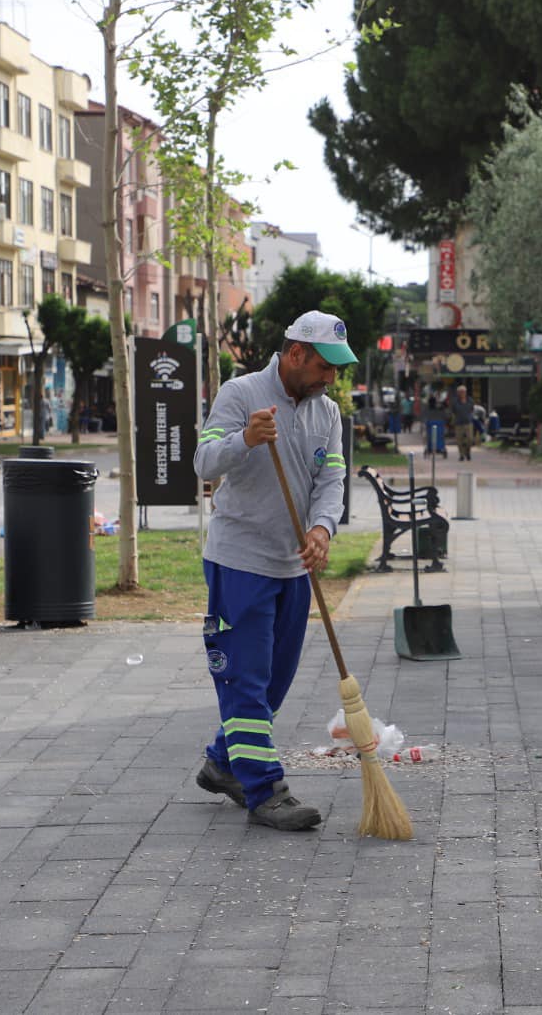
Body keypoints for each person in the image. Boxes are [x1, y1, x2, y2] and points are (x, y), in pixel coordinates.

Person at [191, 309, 355, 830]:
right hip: (239, 560)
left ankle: (223, 763)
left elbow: (332, 478)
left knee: (273, 683)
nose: (332, 379)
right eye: (325, 367)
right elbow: (203, 462)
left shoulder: (326, 414)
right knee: (245, 677)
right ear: (296, 353)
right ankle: (266, 789)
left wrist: (322, 528)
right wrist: (245, 440)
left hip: (292, 565)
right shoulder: (241, 395)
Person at [449, 383, 475, 461]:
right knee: (459, 440)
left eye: (463, 392)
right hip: (458, 423)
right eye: (460, 392)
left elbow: (472, 409)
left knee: (470, 439)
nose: (462, 393)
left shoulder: (470, 400)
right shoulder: (455, 401)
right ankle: (461, 455)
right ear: (458, 393)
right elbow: (453, 411)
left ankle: (467, 452)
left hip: (468, 422)